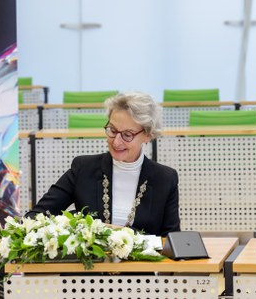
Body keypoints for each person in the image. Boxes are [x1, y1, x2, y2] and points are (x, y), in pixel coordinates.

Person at [26, 92, 180, 236]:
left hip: (143, 265)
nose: (116, 141)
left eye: (127, 135)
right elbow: (35, 217)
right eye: (112, 130)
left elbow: (172, 241)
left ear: (148, 135)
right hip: (92, 265)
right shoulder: (83, 168)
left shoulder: (165, 178)